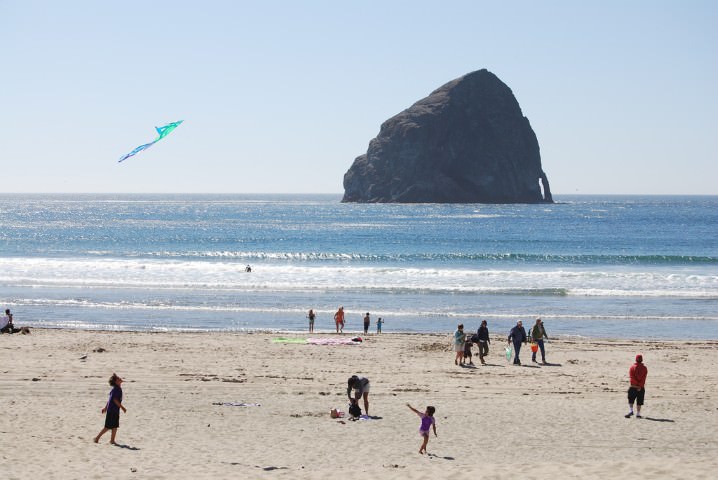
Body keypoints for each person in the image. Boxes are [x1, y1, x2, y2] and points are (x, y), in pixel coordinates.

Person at [94, 373, 127, 444]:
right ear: (116, 382)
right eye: (118, 378)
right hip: (112, 410)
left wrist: (105, 408)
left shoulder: (117, 389)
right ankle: (97, 438)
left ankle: (112, 440)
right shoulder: (116, 389)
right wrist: (122, 407)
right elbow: (114, 400)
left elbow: (109, 400)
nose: (120, 378)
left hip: (114, 410)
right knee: (108, 427)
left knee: (115, 426)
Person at [625, 354, 648, 418]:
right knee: (639, 401)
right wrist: (640, 386)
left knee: (631, 399)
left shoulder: (632, 367)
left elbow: (632, 377)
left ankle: (631, 411)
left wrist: (636, 385)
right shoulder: (644, 368)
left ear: (636, 359)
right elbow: (644, 378)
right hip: (641, 387)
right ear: (642, 360)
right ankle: (638, 413)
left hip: (633, 386)